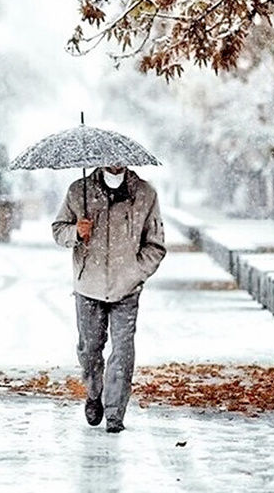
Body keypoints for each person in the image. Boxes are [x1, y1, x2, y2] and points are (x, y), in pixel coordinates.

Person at [52, 165, 166, 433]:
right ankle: (94, 393)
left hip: (126, 288)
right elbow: (58, 230)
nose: (114, 163)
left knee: (123, 351)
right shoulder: (79, 191)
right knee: (90, 349)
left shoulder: (145, 194)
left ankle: (115, 413)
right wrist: (76, 232)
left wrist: (136, 272)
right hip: (88, 284)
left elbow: (156, 244)